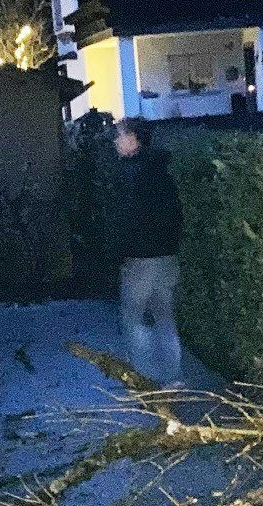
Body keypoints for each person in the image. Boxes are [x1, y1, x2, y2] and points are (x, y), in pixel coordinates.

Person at [109, 118, 184, 385]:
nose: (115, 141)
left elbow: (126, 218)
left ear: (133, 139)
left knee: (133, 319)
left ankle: (145, 381)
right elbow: (176, 215)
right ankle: (173, 379)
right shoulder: (161, 172)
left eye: (119, 135)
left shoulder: (131, 175)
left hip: (140, 258)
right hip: (166, 256)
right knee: (164, 316)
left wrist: (120, 252)